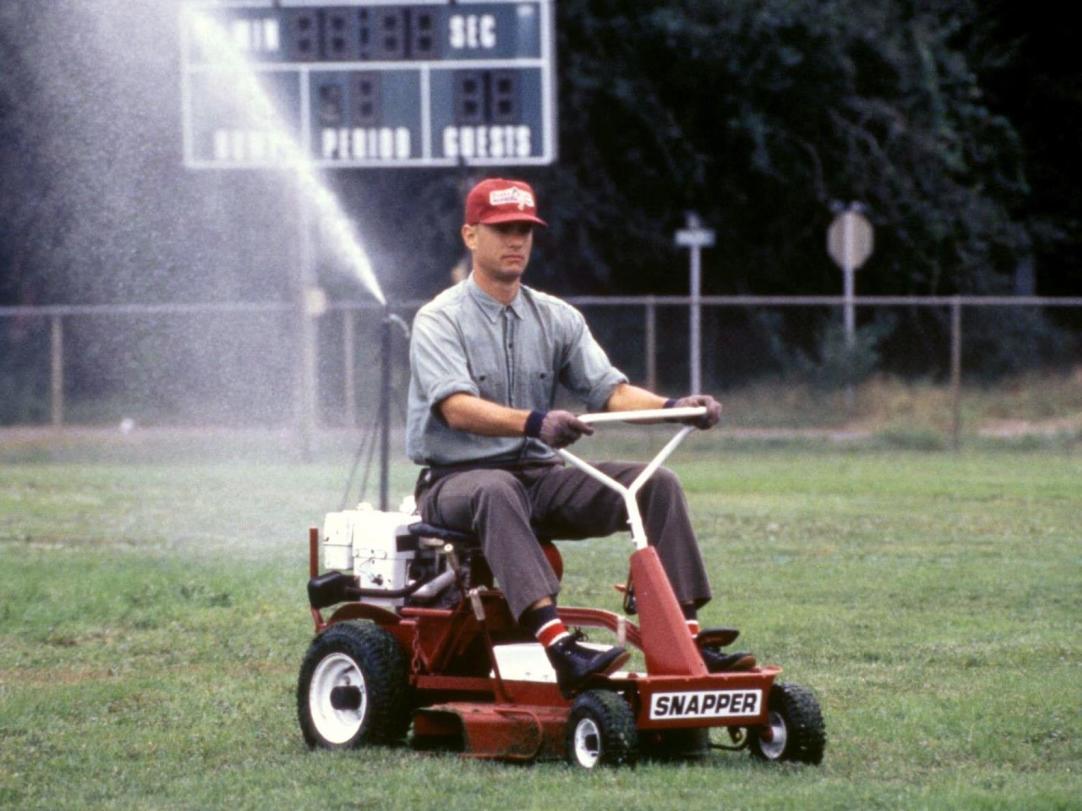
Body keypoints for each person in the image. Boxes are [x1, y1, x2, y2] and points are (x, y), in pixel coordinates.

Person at [406, 178, 754, 695]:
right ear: (471, 235)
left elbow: (609, 392)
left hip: (541, 479)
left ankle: (687, 639)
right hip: (456, 485)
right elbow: (456, 410)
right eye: (502, 230)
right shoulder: (440, 319)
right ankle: (558, 645)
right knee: (495, 490)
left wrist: (674, 407)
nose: (516, 241)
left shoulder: (556, 317)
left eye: (525, 229)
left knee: (657, 483)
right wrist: (534, 422)